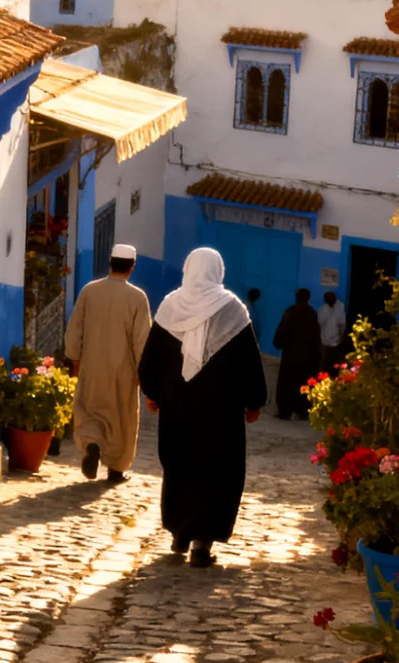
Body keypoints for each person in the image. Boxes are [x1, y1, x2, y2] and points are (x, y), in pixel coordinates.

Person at [139, 248, 268, 568]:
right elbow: (250, 361)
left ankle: (180, 534)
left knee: (179, 466)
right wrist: (255, 401)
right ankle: (202, 542)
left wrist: (152, 392)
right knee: (216, 470)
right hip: (220, 412)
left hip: (178, 406)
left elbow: (150, 358)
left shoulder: (170, 306)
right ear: (217, 271)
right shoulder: (233, 310)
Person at [65, 243, 154, 483]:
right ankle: (116, 468)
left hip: (91, 365)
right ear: (132, 267)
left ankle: (92, 444)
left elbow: (75, 330)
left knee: (89, 411)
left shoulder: (89, 291)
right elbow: (142, 340)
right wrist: (142, 373)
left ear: (110, 262)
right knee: (121, 419)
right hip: (123, 371)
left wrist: (74, 359)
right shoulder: (137, 298)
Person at [272, 289, 322, 420]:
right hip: (308, 356)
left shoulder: (291, 311)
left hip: (291, 354)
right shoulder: (312, 313)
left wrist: (278, 342)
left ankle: (285, 410)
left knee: (287, 382)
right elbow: (316, 336)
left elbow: (282, 329)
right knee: (303, 382)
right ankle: (302, 409)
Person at [317, 291, 348, 369]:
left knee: (334, 363)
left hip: (335, 341)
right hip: (324, 340)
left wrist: (341, 337)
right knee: (323, 362)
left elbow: (342, 324)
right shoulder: (323, 308)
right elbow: (319, 323)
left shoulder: (340, 307)